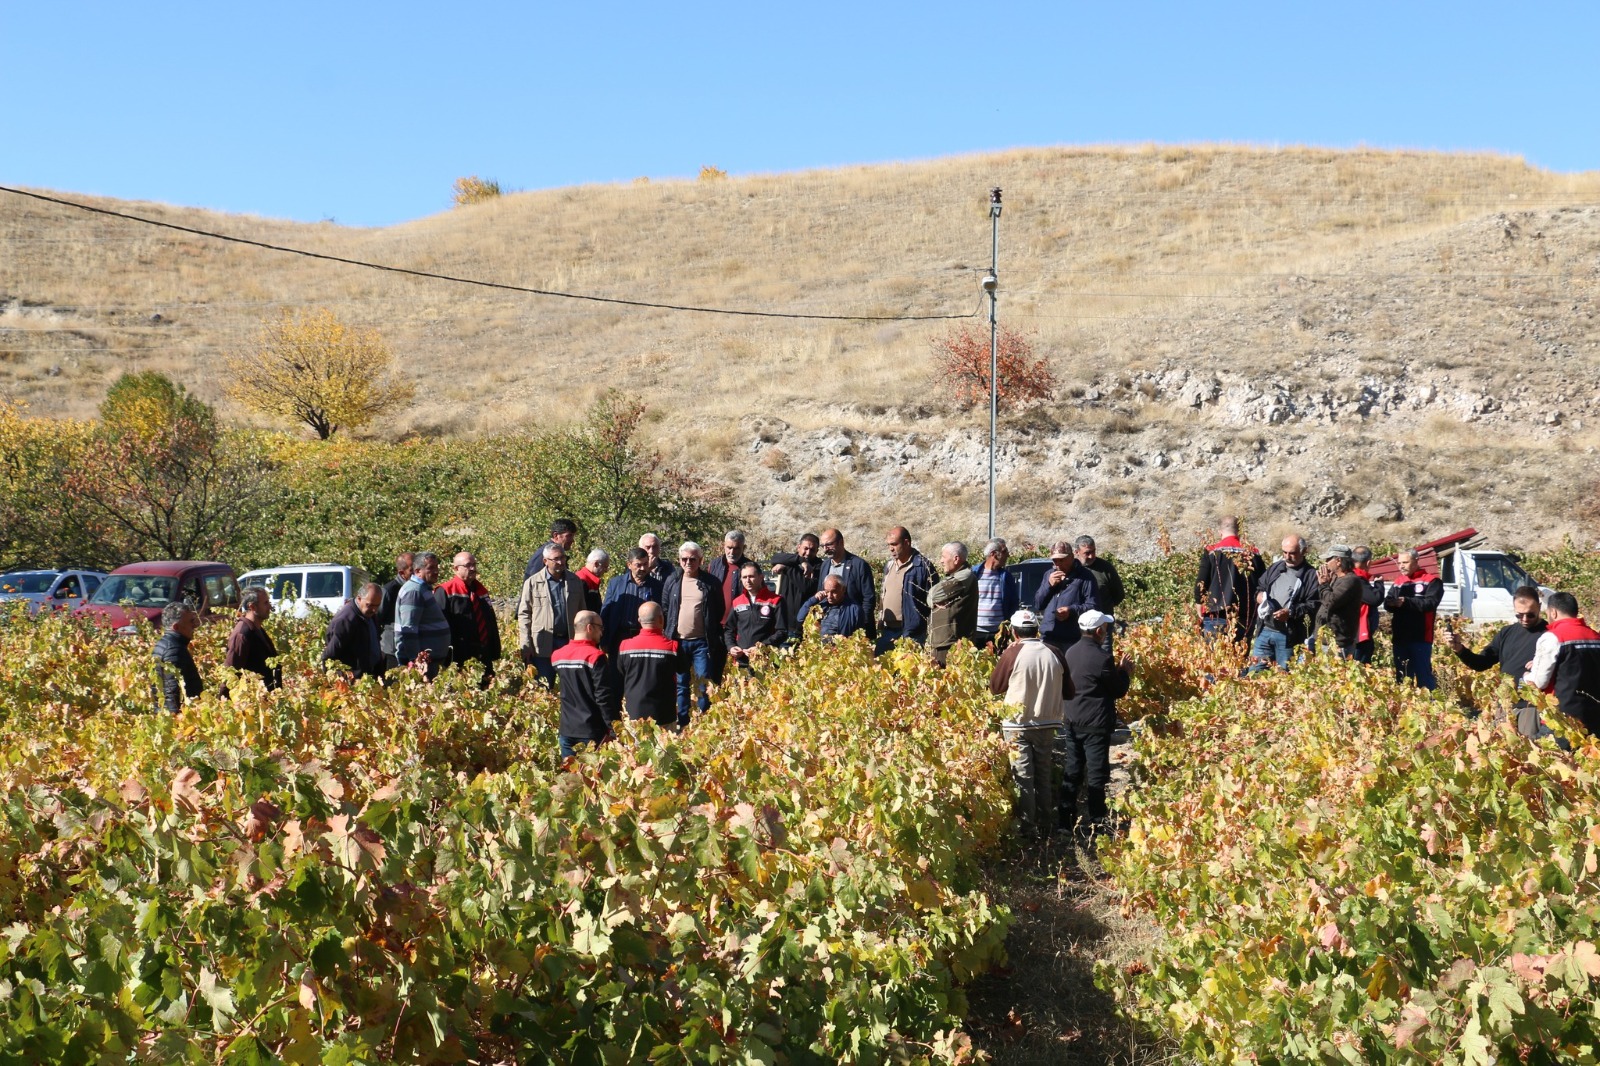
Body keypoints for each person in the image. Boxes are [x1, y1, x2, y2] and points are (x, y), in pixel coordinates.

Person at [990, 608, 1071, 841]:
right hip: (1048, 722)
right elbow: (1069, 690)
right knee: (1043, 774)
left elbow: (995, 687)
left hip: (1017, 725)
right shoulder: (1054, 651)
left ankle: (1028, 829)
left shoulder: (1013, 653)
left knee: (1023, 776)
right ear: (1036, 630)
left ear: (1014, 633)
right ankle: (1046, 825)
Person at [1059, 610, 1132, 846]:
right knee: (1097, 773)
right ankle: (1098, 823)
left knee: (1073, 769)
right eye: (1106, 628)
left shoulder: (1069, 652)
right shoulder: (1102, 658)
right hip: (1095, 724)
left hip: (1072, 720)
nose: (1106, 632)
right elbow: (1118, 690)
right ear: (1099, 631)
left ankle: (1064, 823)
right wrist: (1125, 672)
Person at [1449, 585, 1549, 738]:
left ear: (1540, 607)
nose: (1524, 619)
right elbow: (1481, 663)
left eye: (1530, 615)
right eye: (1519, 615)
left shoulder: (1550, 635)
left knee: (1529, 752)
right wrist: (1460, 649)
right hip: (1505, 704)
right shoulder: (1506, 633)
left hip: (1531, 706)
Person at [661, 541, 725, 727]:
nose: (688, 562)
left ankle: (704, 723)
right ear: (679, 560)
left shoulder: (711, 583)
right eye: (684, 559)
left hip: (702, 642)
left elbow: (718, 609)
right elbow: (665, 608)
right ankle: (683, 722)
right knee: (681, 684)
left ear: (701, 560)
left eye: (692, 559)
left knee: (703, 684)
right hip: (678, 641)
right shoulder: (672, 580)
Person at [1524, 592, 1600, 734]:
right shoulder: (1596, 637)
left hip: (1563, 720)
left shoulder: (1553, 637)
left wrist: (1526, 676)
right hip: (1594, 719)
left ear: (1553, 612)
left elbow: (1538, 682)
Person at [516, 543, 587, 686]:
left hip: (569, 642)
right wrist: (526, 644)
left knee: (571, 687)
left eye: (563, 558)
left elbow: (582, 612)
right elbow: (524, 615)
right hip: (542, 644)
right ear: (545, 561)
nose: (561, 562)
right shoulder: (533, 582)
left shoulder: (574, 581)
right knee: (543, 686)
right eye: (556, 559)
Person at [551, 610, 620, 758]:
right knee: (593, 778)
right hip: (591, 731)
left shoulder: (557, 656)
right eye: (601, 628)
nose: (602, 633)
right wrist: (614, 728)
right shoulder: (596, 657)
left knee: (570, 779)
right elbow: (603, 697)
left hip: (567, 729)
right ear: (590, 628)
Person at [1247, 535, 1318, 673]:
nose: (1287, 556)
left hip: (1289, 636)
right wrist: (1259, 596)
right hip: (1265, 630)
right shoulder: (1275, 568)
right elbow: (1260, 587)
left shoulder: (1310, 575)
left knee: (1284, 675)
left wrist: (1290, 613)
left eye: (1292, 553)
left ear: (1304, 552)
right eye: (1284, 552)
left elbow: (1313, 605)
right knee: (1255, 672)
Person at [1194, 517, 1264, 642]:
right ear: (1239, 531)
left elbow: (1201, 582)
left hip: (1216, 613)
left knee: (1215, 658)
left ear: (1220, 532)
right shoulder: (1253, 553)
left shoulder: (1212, 551)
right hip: (1245, 615)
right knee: (1240, 658)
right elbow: (1263, 584)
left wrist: (1199, 605)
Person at [438, 551, 502, 686]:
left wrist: (494, 650)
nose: (473, 568)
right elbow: (441, 626)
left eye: (474, 564)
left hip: (483, 654)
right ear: (456, 569)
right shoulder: (445, 591)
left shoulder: (480, 590)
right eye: (468, 565)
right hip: (459, 657)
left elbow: (490, 621)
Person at [1385, 548, 1445, 690]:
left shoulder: (1432, 581)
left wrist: (1405, 602)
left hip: (1421, 637)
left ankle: (1429, 708)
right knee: (1402, 678)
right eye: (1399, 563)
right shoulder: (1399, 582)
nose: (1401, 566)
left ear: (1416, 561)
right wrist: (1392, 603)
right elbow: (1387, 603)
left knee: (1424, 677)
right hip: (1400, 638)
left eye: (1405, 562)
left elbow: (1430, 603)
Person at [616, 602, 684, 727]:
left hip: (634, 714)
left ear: (639, 620)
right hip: (664, 715)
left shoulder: (625, 646)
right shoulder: (672, 647)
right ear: (661, 619)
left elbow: (621, 672)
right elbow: (682, 669)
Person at [1033, 540, 1100, 652]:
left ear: (1072, 557)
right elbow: (1038, 604)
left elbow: (1093, 606)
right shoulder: (1049, 575)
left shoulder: (1085, 577)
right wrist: (1049, 586)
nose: (1058, 564)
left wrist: (1071, 611)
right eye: (1055, 560)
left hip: (1072, 639)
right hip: (1049, 636)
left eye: (1062, 560)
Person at [876, 526, 934, 653]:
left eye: (894, 544)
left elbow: (932, 601)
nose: (891, 548)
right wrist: (880, 618)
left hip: (911, 632)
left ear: (907, 543)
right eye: (889, 545)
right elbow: (883, 593)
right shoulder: (889, 565)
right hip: (888, 630)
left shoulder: (923, 566)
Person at [396, 551, 452, 679]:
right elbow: (409, 629)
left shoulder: (422, 589)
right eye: (431, 568)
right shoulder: (414, 591)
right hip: (424, 664)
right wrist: (416, 660)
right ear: (417, 571)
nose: (436, 571)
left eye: (437, 567)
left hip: (430, 661)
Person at [816, 529, 876, 638]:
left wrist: (861, 624)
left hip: (852, 626)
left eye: (829, 545)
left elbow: (869, 598)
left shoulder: (859, 565)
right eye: (822, 546)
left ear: (841, 542)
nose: (825, 549)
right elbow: (821, 594)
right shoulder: (825, 566)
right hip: (829, 627)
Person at [600, 548, 662, 653]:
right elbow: (606, 612)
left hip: (644, 639)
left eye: (645, 564)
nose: (642, 568)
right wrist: (604, 640)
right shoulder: (616, 583)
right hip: (619, 638)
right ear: (629, 565)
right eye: (638, 565)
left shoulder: (657, 586)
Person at [725, 563, 787, 667]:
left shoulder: (775, 601)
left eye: (751, 576)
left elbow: (782, 632)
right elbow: (729, 630)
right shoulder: (737, 602)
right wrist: (731, 647)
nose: (748, 580)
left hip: (765, 660)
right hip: (741, 661)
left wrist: (761, 647)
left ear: (761, 577)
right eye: (744, 577)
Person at [927, 542, 979, 666]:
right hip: (943, 641)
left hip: (951, 643)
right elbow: (931, 597)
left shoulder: (964, 576)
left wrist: (932, 598)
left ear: (956, 559)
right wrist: (932, 600)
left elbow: (933, 594)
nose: (941, 561)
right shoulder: (954, 576)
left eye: (943, 557)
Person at [323, 582, 385, 679]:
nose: (374, 610)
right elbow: (328, 657)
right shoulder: (346, 620)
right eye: (370, 605)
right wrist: (343, 680)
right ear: (359, 599)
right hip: (354, 682)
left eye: (377, 606)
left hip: (370, 678)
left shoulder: (369, 615)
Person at [769, 533, 824, 641]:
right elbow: (774, 558)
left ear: (817, 551)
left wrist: (786, 567)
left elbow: (805, 587)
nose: (808, 553)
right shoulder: (791, 559)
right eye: (805, 548)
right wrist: (800, 560)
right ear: (798, 547)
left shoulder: (819, 567)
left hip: (807, 626)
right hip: (785, 624)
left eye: (812, 550)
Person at [225, 586, 282, 690]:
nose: (270, 607)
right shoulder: (242, 634)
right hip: (254, 700)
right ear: (252, 607)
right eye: (265, 603)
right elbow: (231, 672)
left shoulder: (257, 629)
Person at [152, 601, 202, 713]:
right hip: (180, 717)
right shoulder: (174, 650)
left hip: (165, 714)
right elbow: (172, 690)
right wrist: (175, 719)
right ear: (176, 627)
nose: (194, 625)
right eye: (190, 621)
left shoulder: (163, 644)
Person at [1314, 546, 1363, 659]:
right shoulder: (1337, 578)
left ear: (1338, 560)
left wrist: (1323, 585)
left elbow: (1331, 601)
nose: (1326, 563)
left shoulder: (1350, 581)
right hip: (1326, 641)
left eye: (1328, 559)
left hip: (1337, 642)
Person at [972, 538, 1021, 648]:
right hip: (976, 631)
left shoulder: (1006, 576)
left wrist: (1009, 626)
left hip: (998, 632)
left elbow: (1014, 603)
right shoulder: (974, 573)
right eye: (1004, 551)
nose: (1008, 555)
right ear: (993, 554)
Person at [798, 576, 870, 639]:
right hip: (817, 649)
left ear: (843, 590)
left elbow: (859, 635)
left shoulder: (854, 610)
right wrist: (814, 599)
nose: (830, 596)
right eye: (827, 591)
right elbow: (800, 618)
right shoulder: (820, 605)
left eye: (834, 592)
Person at [706, 530, 753, 626]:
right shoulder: (714, 565)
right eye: (729, 548)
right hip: (715, 625)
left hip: (740, 626)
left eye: (736, 548)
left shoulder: (750, 568)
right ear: (724, 546)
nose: (732, 552)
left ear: (743, 548)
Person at [1350, 546, 1386, 664]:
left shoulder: (1350, 578)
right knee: (1359, 667)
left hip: (1354, 633)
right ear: (1368, 562)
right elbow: (1374, 599)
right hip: (1359, 636)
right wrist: (1379, 584)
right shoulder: (1357, 580)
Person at [378, 551, 413, 670]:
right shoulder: (389, 590)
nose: (417, 572)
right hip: (392, 649)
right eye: (412, 570)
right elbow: (377, 618)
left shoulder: (417, 588)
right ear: (402, 573)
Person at [1074, 535, 1125, 613]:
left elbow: (1118, 595)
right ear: (1077, 552)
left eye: (1093, 551)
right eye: (1087, 553)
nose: (1091, 556)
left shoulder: (1106, 568)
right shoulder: (1070, 568)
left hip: (1103, 620)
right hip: (1076, 620)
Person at [575, 549, 610, 615]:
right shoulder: (582, 580)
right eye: (605, 567)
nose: (606, 571)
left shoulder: (591, 580)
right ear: (596, 564)